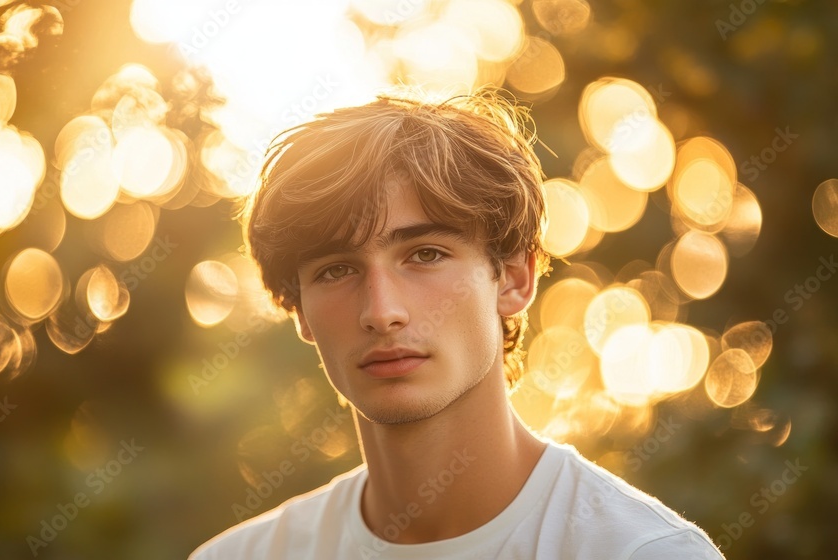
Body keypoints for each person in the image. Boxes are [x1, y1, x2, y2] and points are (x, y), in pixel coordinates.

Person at [190, 90, 725, 559]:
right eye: (336, 269)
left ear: (513, 278)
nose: (381, 312)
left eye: (425, 255)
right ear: (299, 309)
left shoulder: (638, 553)